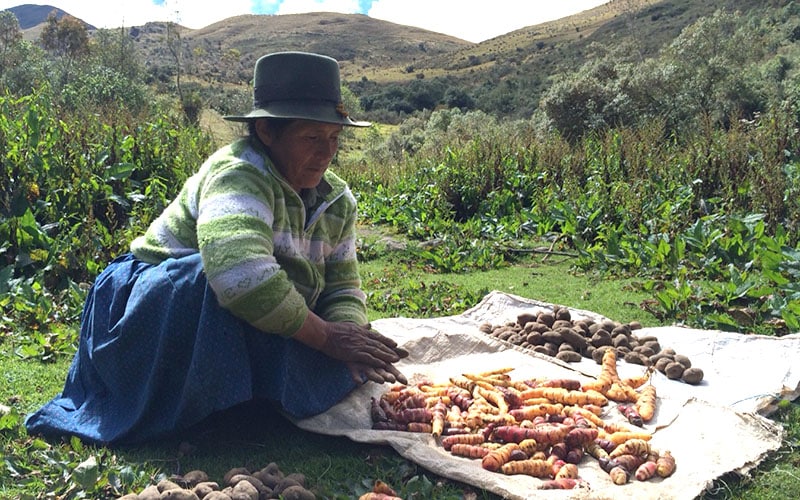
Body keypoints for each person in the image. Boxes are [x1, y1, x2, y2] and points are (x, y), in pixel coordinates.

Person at [25, 51, 408, 445]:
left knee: (322, 347)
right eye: (311, 138)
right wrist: (326, 338)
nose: (327, 153)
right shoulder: (239, 173)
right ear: (265, 131)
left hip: (236, 308)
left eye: (333, 138)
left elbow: (342, 286)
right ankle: (197, 404)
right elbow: (239, 275)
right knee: (222, 280)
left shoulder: (337, 200)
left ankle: (238, 399)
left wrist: (348, 335)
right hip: (158, 306)